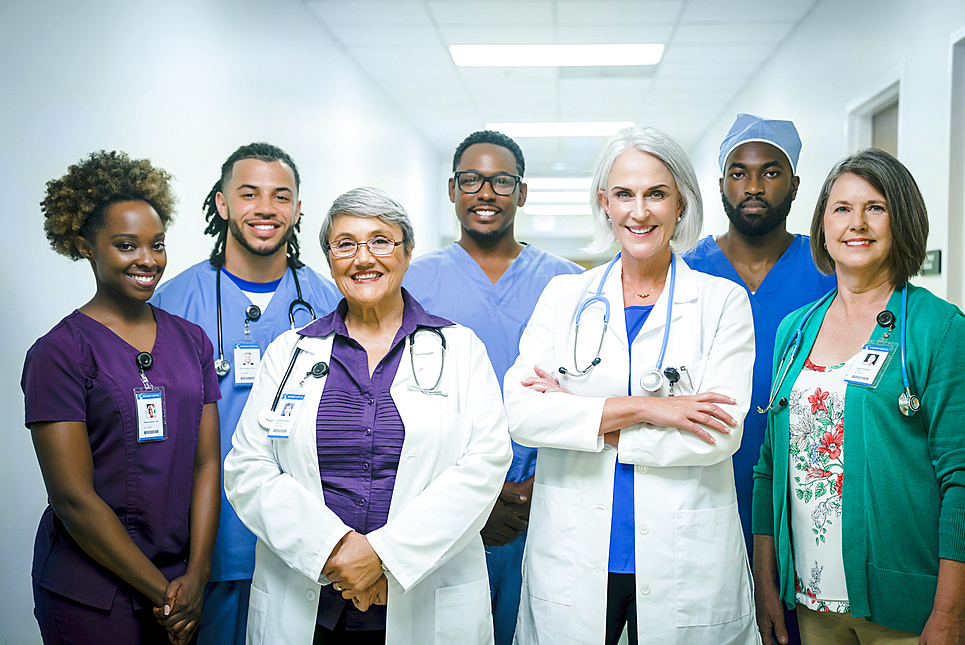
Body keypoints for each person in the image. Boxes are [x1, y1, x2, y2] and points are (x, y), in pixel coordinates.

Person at [504, 126, 758, 644]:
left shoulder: (722, 303)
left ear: (680, 202)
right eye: (624, 194)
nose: (639, 211)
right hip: (575, 552)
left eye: (656, 194)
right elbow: (523, 414)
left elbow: (720, 432)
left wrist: (581, 418)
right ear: (605, 202)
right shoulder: (564, 296)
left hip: (685, 556)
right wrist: (654, 410)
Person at [224, 187, 512, 645]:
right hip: (312, 599)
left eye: (381, 240)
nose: (364, 258)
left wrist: (383, 557)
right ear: (330, 258)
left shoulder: (461, 349)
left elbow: (484, 464)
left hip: (424, 595)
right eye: (345, 244)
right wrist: (336, 552)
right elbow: (248, 467)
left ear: (408, 251)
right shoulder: (291, 353)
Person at [752, 149, 965, 644]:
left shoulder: (938, 329)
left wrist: (948, 616)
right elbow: (769, 463)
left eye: (876, 207)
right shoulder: (795, 331)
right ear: (822, 224)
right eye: (841, 208)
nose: (856, 223)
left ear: (901, 219)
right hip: (813, 599)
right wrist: (765, 583)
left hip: (911, 607)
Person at [22, 151, 221, 644]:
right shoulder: (60, 352)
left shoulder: (193, 340)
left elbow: (206, 463)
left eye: (157, 245)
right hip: (92, 594)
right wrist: (167, 596)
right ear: (85, 246)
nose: (148, 260)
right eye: (126, 246)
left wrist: (196, 576)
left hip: (181, 581)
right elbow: (73, 498)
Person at [151, 142, 341, 645]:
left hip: (304, 535)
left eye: (281, 196)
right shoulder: (173, 302)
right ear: (221, 203)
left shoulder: (330, 302)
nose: (265, 208)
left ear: (298, 210)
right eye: (249, 193)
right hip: (209, 545)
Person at [403, 129, 583, 644]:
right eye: (471, 180)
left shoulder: (569, 284)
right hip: (446, 507)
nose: (485, 193)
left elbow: (586, 399)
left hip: (546, 499)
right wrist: (475, 499)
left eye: (502, 181)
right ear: (452, 190)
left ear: (522, 193)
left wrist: (536, 488)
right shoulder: (413, 283)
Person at [685, 113, 835, 645]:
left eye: (770, 172)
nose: (752, 186)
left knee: (801, 625)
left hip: (808, 486)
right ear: (721, 183)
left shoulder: (827, 269)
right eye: (738, 172)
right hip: (711, 481)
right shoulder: (687, 273)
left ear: (795, 184)